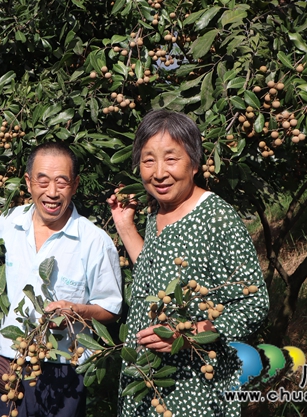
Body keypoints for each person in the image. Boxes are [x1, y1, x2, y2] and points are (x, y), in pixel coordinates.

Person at [107, 110, 269, 417]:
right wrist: (126, 227)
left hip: (194, 390)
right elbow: (158, 275)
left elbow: (254, 303)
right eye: (148, 160)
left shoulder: (215, 218)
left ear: (194, 163)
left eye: (171, 159)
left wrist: (190, 334)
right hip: (147, 384)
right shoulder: (156, 212)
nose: (158, 172)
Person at [0, 142, 123, 417]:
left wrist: (77, 310)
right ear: (28, 182)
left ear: (75, 185)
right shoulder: (9, 222)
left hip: (62, 370)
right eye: (42, 181)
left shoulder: (94, 240)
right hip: (9, 364)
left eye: (62, 182)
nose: (52, 192)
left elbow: (110, 309)